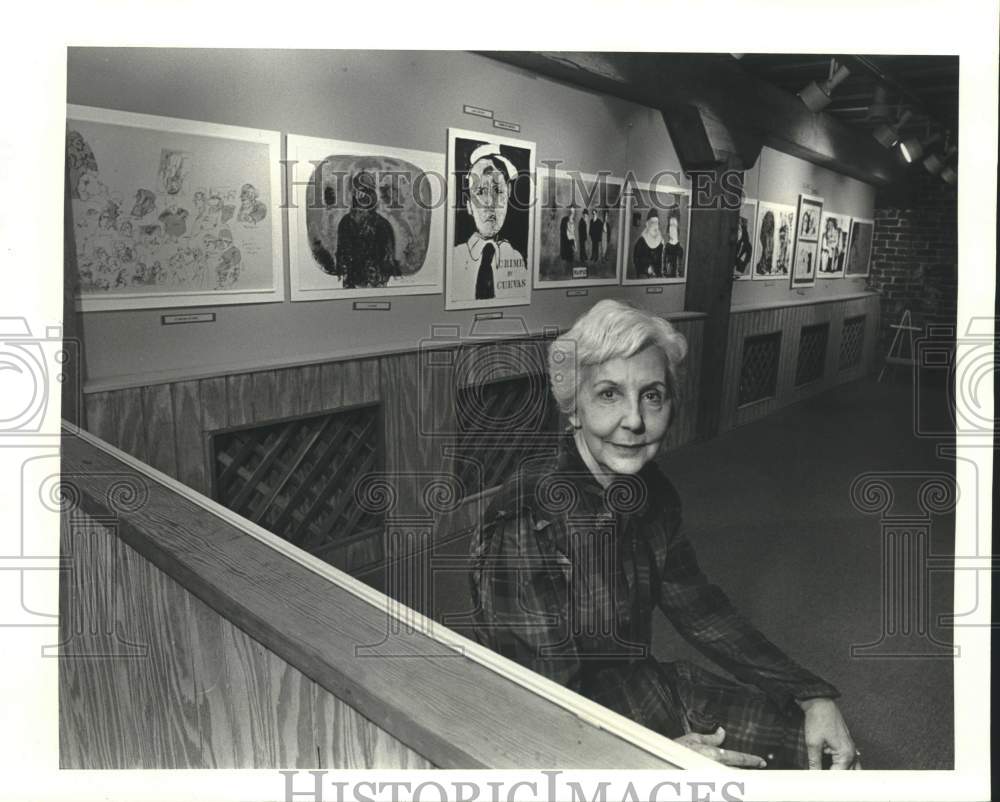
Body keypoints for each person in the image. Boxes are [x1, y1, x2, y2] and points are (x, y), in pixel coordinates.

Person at [469, 300, 860, 770]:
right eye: (609, 395)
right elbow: (545, 707)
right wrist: (656, 759)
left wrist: (810, 694)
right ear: (573, 410)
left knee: (827, 759)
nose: (635, 420)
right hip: (568, 737)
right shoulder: (528, 521)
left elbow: (701, 611)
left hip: (646, 687)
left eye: (652, 395)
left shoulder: (651, 490)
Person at [451, 143, 528, 302]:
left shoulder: (515, 258)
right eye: (480, 192)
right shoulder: (455, 257)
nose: (490, 203)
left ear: (508, 198)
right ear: (468, 205)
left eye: (499, 191)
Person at [332, 170, 400, 289]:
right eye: (358, 191)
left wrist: (378, 277)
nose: (361, 196)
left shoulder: (382, 225)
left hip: (374, 284)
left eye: (366, 191)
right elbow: (341, 254)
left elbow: (388, 260)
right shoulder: (345, 223)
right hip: (352, 284)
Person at [632, 208, 664, 278]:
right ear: (647, 224)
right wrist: (646, 269)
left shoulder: (661, 244)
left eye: (657, 223)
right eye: (652, 223)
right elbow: (637, 262)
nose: (655, 226)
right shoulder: (641, 242)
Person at [663, 212, 684, 278]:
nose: (672, 228)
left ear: (678, 228)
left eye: (674, 225)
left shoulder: (680, 249)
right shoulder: (665, 248)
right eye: (670, 225)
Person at [559, 204, 577, 271]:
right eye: (571, 211)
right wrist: (567, 238)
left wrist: (575, 244)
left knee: (571, 258)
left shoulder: (573, 222)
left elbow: (573, 234)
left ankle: (569, 271)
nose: (572, 213)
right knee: (566, 258)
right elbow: (562, 231)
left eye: (573, 212)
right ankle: (566, 271)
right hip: (566, 241)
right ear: (569, 212)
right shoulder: (564, 220)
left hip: (571, 241)